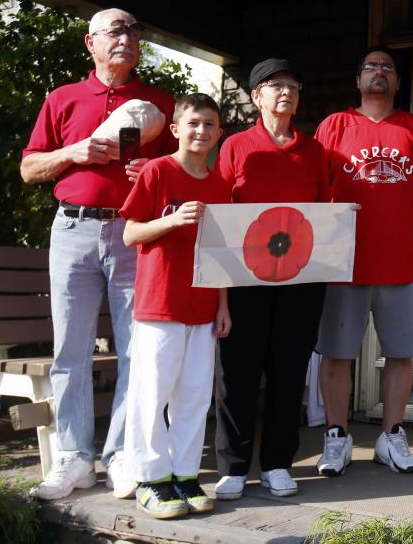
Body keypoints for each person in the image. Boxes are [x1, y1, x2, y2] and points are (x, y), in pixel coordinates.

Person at [21, 8, 177, 500]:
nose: (127, 37)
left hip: (132, 233)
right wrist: (74, 152)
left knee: (137, 348)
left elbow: (183, 166)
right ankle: (73, 458)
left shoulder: (158, 102)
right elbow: (29, 169)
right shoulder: (63, 98)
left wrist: (156, 167)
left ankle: (122, 456)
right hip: (72, 229)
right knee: (71, 349)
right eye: (117, 30)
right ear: (91, 42)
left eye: (135, 29)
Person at [314, 46, 413, 476]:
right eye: (370, 65)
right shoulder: (335, 125)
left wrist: (398, 222)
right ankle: (336, 436)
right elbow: (317, 185)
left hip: (400, 260)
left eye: (387, 67)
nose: (379, 72)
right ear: (358, 80)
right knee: (336, 352)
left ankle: (391, 436)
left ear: (397, 82)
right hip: (343, 261)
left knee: (401, 353)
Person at [213, 58, 330, 500]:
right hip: (244, 276)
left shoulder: (314, 150)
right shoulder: (235, 146)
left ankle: (279, 463)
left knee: (289, 369)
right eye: (276, 85)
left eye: (294, 86)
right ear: (255, 95)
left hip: (301, 277)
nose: (286, 92)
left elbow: (323, 209)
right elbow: (220, 210)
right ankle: (233, 466)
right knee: (238, 372)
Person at [119, 93, 231, 519]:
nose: (201, 131)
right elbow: (131, 233)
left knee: (194, 396)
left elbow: (222, 253)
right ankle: (150, 477)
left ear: (219, 132)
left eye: (209, 124)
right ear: (176, 129)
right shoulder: (156, 171)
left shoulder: (220, 185)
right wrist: (171, 219)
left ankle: (185, 474)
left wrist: (223, 305)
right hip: (160, 304)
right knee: (152, 394)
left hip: (202, 307)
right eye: (193, 123)